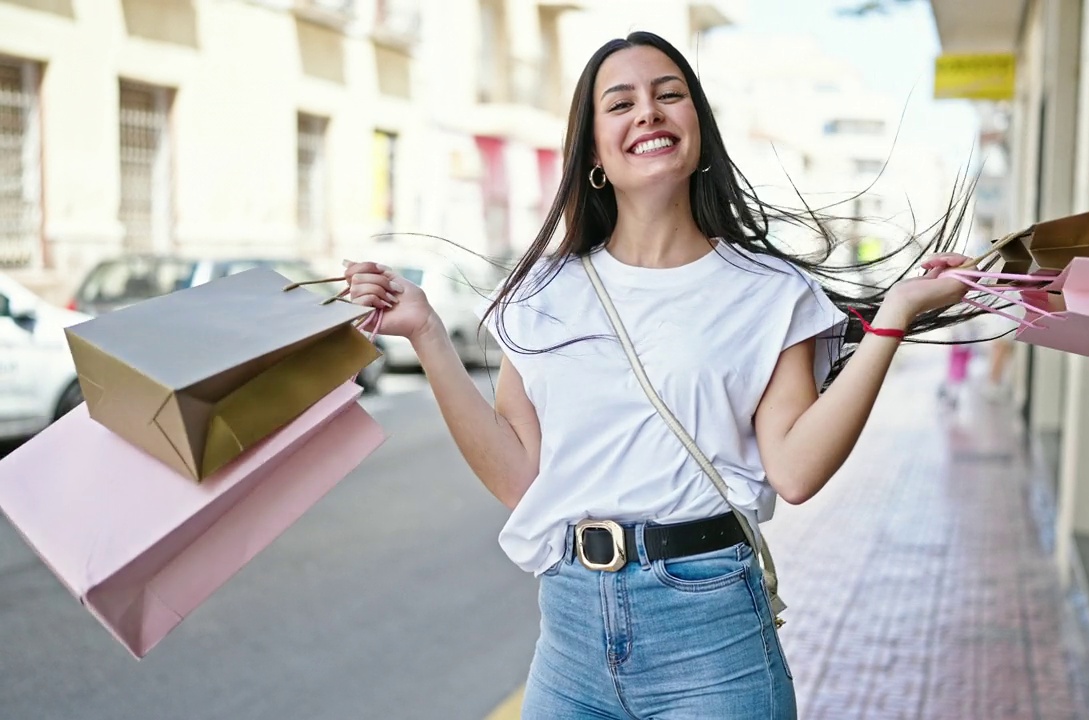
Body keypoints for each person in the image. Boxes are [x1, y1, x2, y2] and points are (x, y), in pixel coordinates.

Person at [344, 31, 974, 720]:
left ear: (697, 129)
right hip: (571, 635)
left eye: (669, 95)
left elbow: (794, 470)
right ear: (592, 152)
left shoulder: (769, 292)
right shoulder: (541, 293)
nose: (648, 112)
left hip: (711, 634)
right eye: (621, 103)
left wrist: (894, 321)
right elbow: (520, 480)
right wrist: (431, 336)